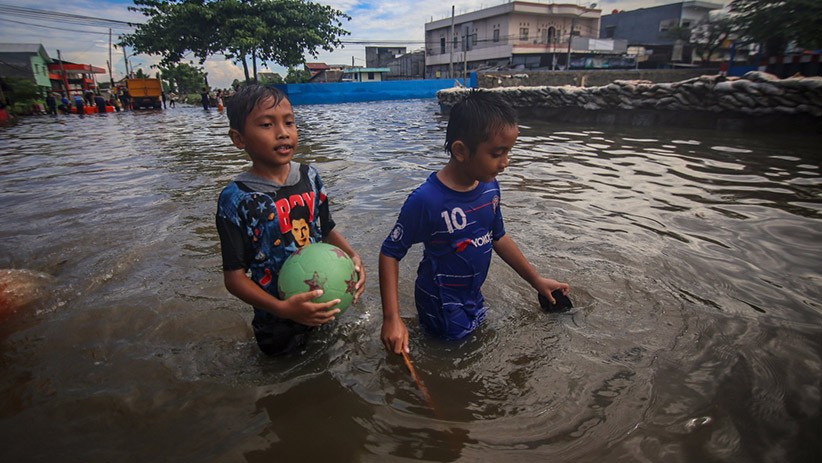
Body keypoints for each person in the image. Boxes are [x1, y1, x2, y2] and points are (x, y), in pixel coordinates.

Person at [379, 90, 570, 354]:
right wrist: (392, 319)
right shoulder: (427, 200)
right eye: (497, 153)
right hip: (441, 303)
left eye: (508, 152)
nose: (505, 163)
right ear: (460, 151)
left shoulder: (489, 188)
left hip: (471, 294)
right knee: (454, 356)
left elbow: (498, 237)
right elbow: (390, 253)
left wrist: (536, 280)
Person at [215, 84, 366, 356]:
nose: (282, 132)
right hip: (276, 320)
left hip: (323, 298)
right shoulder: (235, 199)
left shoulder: (310, 177)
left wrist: (353, 257)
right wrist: (282, 308)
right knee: (283, 371)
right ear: (239, 139)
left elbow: (326, 230)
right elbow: (234, 278)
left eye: (289, 122)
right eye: (266, 124)